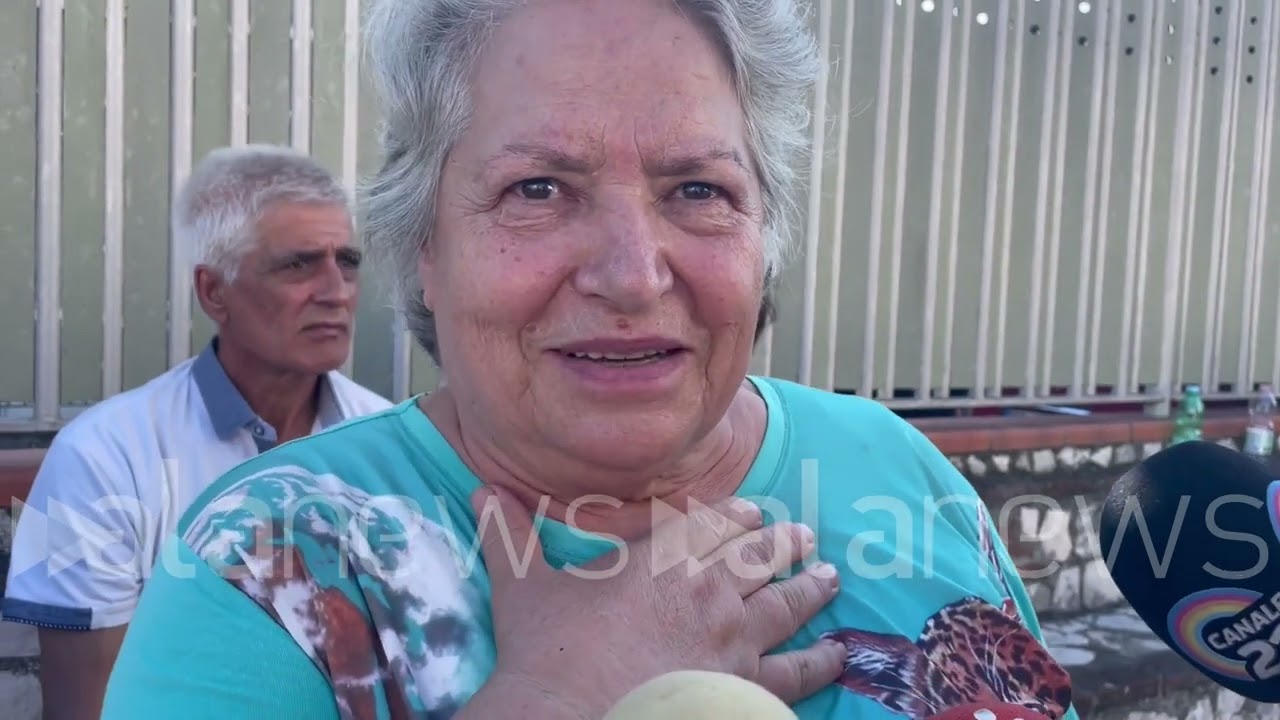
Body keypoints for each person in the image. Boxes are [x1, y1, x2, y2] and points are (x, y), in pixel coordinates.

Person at [101, 1, 1080, 719]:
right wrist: (559, 694)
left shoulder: (884, 454)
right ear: (426, 249)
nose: (631, 274)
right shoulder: (269, 566)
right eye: (537, 187)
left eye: (697, 189)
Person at [3, 144, 393, 719]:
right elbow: (88, 708)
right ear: (214, 292)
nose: (337, 290)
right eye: (299, 264)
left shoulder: (387, 442)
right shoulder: (101, 457)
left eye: (348, 260)